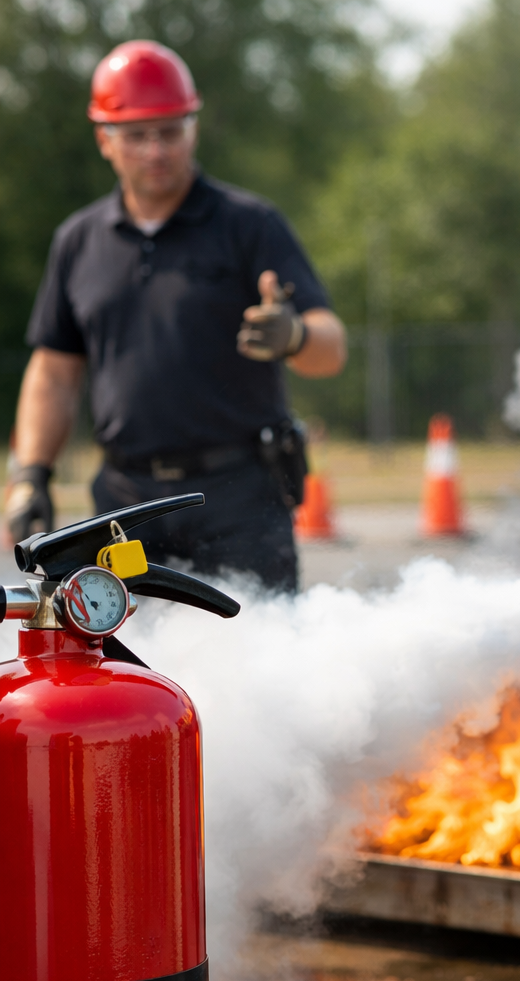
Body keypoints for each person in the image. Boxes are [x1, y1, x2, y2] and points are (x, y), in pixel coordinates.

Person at [4, 40, 345, 592]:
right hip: (124, 510)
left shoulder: (250, 225)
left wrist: (295, 334)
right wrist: (31, 474)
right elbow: (54, 373)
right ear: (104, 140)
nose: (156, 150)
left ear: (194, 129)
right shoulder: (78, 241)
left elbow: (331, 349)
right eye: (136, 135)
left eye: (170, 131)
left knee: (259, 646)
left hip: (238, 500)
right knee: (123, 647)